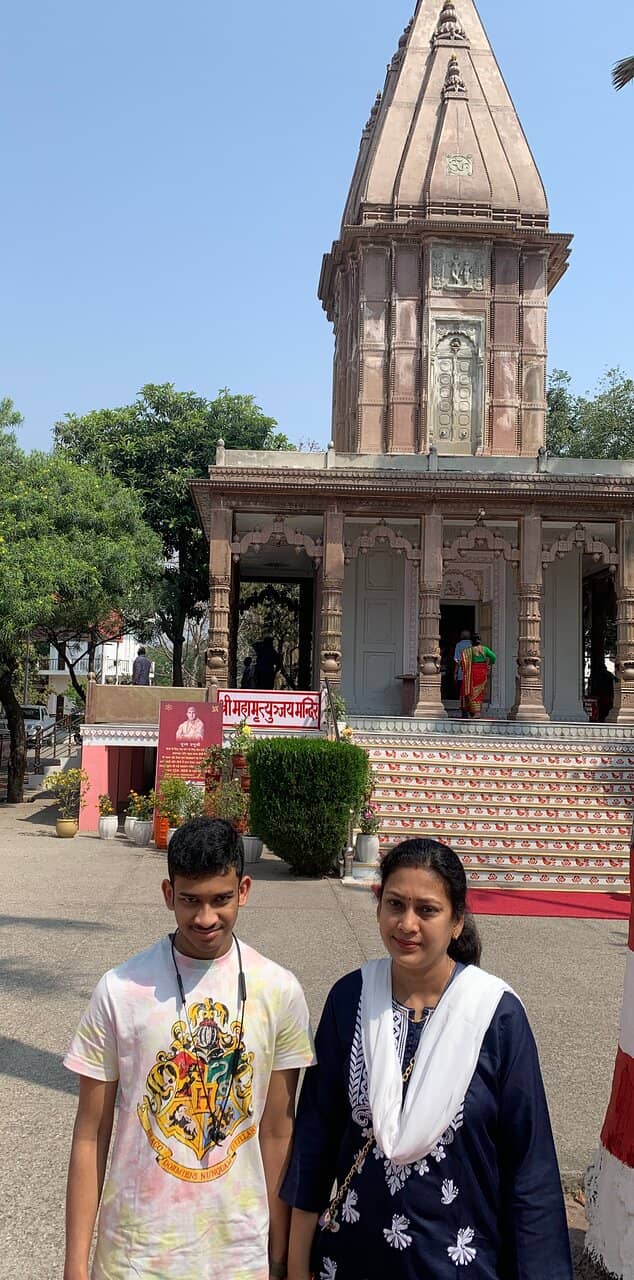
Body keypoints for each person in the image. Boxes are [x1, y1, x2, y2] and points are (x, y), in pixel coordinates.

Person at [282, 838, 573, 1280]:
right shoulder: (351, 999)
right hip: (352, 1260)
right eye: (395, 904)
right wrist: (294, 1265)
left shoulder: (494, 1015)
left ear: (457, 922)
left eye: (427, 910)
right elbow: (314, 1142)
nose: (407, 923)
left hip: (460, 1266)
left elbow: (530, 1171)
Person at [63, 817, 314, 1280]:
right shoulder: (120, 990)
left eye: (220, 899)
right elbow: (90, 1133)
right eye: (190, 900)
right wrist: (75, 1265)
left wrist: (279, 1255)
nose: (205, 918)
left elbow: (278, 1132)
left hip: (238, 1256)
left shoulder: (279, 991)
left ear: (243, 890)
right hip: (135, 1256)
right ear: (168, 894)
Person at [459, 633, 496, 718]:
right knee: (479, 692)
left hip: (472, 672)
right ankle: (476, 711)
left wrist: (461, 664)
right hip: (482, 671)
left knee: (472, 691)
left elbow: (463, 662)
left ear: (471, 642)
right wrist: (489, 664)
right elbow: (493, 657)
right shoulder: (485, 649)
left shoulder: (469, 651)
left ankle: (476, 712)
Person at [453, 629, 472, 701]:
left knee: (462, 690)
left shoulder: (459, 645)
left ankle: (462, 703)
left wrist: (455, 673)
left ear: (462, 636)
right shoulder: (473, 644)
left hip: (462, 672)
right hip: (472, 672)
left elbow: (457, 660)